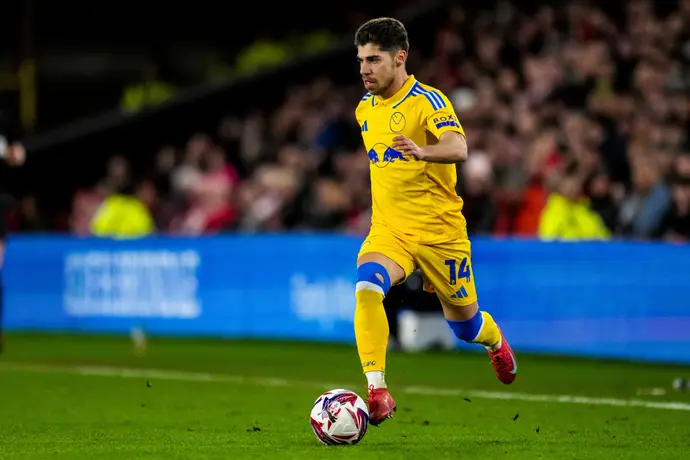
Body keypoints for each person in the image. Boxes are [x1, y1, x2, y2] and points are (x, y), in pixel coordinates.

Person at [352, 18, 518, 426]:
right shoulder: (365, 109)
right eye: (361, 60)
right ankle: (377, 389)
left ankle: (495, 341)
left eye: (374, 60)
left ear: (400, 58)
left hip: (440, 233)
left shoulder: (428, 101)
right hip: (390, 230)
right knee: (368, 285)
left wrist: (423, 152)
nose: (365, 69)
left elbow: (458, 147)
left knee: (466, 326)